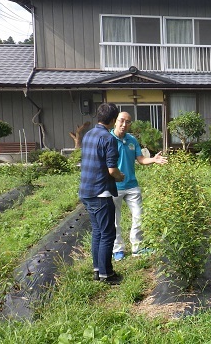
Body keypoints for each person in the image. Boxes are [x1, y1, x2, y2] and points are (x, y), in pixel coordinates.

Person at [111, 111, 168, 261]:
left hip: (131, 185)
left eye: (128, 122)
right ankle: (118, 249)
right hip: (113, 186)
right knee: (114, 220)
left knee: (139, 216)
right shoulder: (108, 139)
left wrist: (153, 160)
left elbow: (141, 159)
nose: (124, 124)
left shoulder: (132, 140)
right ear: (115, 121)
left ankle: (137, 247)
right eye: (121, 121)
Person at [79, 103, 125, 285]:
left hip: (86, 191)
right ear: (113, 120)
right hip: (101, 192)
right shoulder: (109, 138)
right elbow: (112, 170)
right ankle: (107, 274)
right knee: (107, 234)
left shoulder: (88, 135)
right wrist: (121, 176)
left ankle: (98, 270)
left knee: (98, 231)